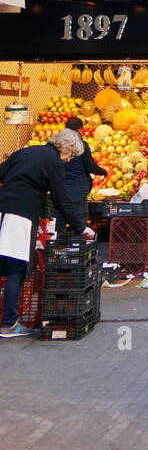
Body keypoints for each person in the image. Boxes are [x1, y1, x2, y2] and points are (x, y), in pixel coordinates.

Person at [0, 130, 95, 338]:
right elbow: (62, 200)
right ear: (66, 149)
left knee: (3, 266)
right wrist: (81, 227)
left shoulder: (26, 152)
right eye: (70, 156)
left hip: (3, 209)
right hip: (20, 215)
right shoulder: (54, 162)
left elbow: (1, 172)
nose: (69, 160)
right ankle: (9, 323)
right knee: (16, 268)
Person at [55, 115, 107, 234]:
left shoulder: (57, 145)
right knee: (78, 224)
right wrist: (103, 171)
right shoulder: (82, 145)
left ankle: (57, 249)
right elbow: (90, 166)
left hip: (60, 190)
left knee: (59, 225)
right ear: (79, 129)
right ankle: (76, 247)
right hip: (78, 191)